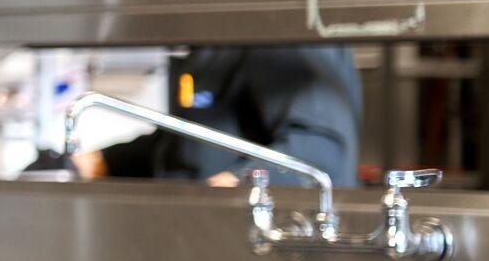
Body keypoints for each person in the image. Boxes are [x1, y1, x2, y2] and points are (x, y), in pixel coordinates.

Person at [70, 45, 363, 185]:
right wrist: (106, 161)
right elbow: (193, 140)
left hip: (255, 247)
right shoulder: (208, 47)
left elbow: (320, 152)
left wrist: (233, 185)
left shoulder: (278, 40)